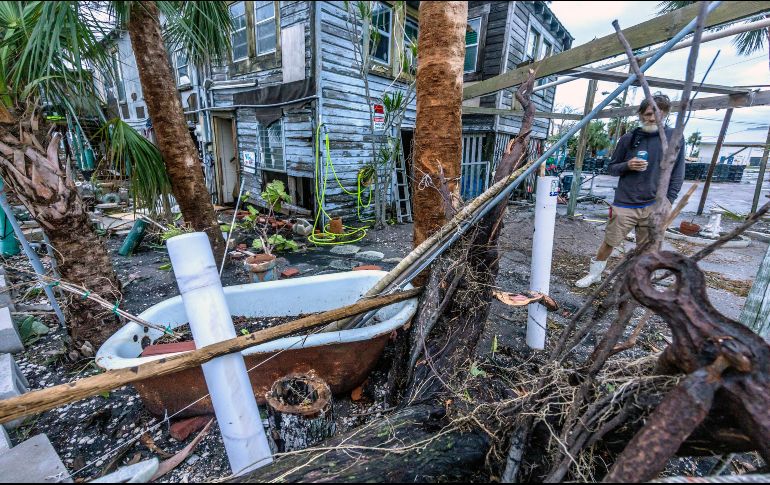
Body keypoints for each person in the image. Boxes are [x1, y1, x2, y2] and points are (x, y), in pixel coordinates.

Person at [575, 94, 685, 288]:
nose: (652, 119)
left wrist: (669, 200)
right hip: (625, 202)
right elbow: (612, 167)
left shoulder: (674, 137)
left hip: (655, 204)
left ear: (666, 114)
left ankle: (640, 282)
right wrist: (627, 165)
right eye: (648, 114)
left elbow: (678, 172)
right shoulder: (629, 138)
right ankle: (594, 275)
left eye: (657, 115)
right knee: (610, 241)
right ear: (641, 113)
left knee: (648, 248)